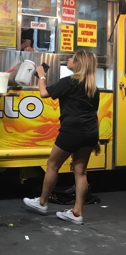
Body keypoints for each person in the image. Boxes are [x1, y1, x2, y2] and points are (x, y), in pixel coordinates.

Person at [23, 50, 101, 225]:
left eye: (72, 58)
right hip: (89, 133)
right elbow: (94, 115)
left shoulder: (70, 82)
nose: (69, 59)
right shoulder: (93, 88)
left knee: (52, 165)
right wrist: (95, 140)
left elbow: (44, 93)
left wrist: (41, 76)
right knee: (81, 172)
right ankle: (77, 213)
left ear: (79, 63)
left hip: (71, 131)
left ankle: (42, 203)